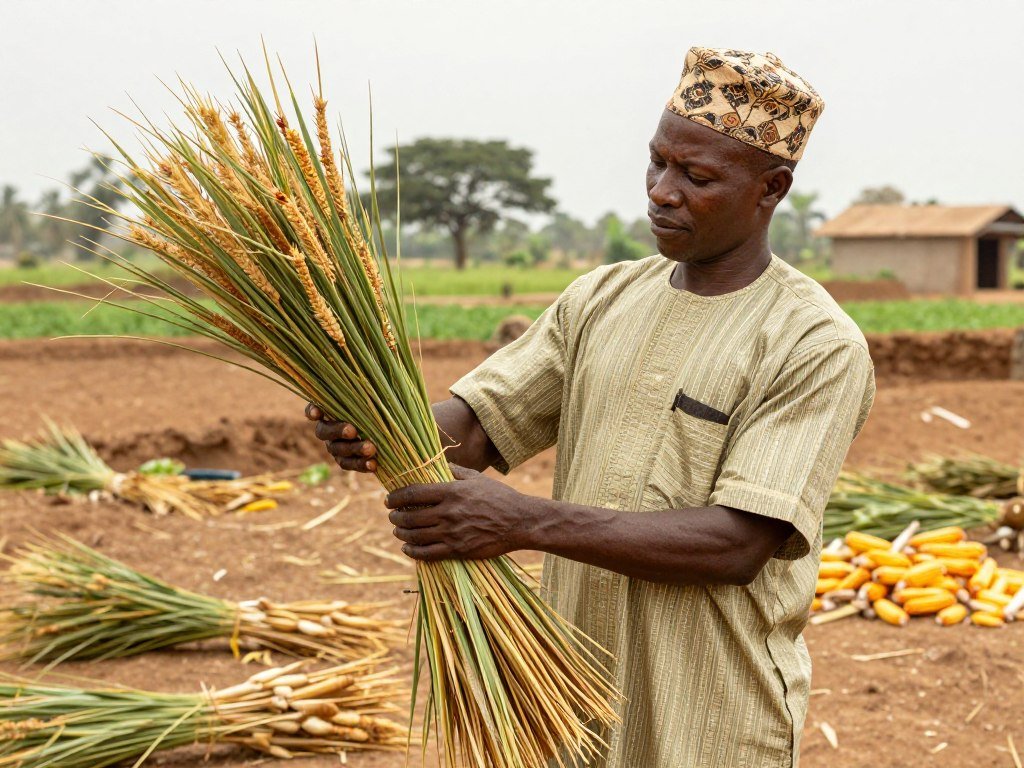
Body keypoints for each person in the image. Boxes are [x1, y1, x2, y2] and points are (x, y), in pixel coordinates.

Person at [307, 46, 874, 768]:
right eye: (658, 162)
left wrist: (524, 520)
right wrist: (374, 419)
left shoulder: (812, 342)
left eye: (696, 176)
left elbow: (736, 545)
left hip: (709, 717)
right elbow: (475, 429)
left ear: (771, 188)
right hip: (569, 694)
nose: (662, 191)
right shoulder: (602, 299)